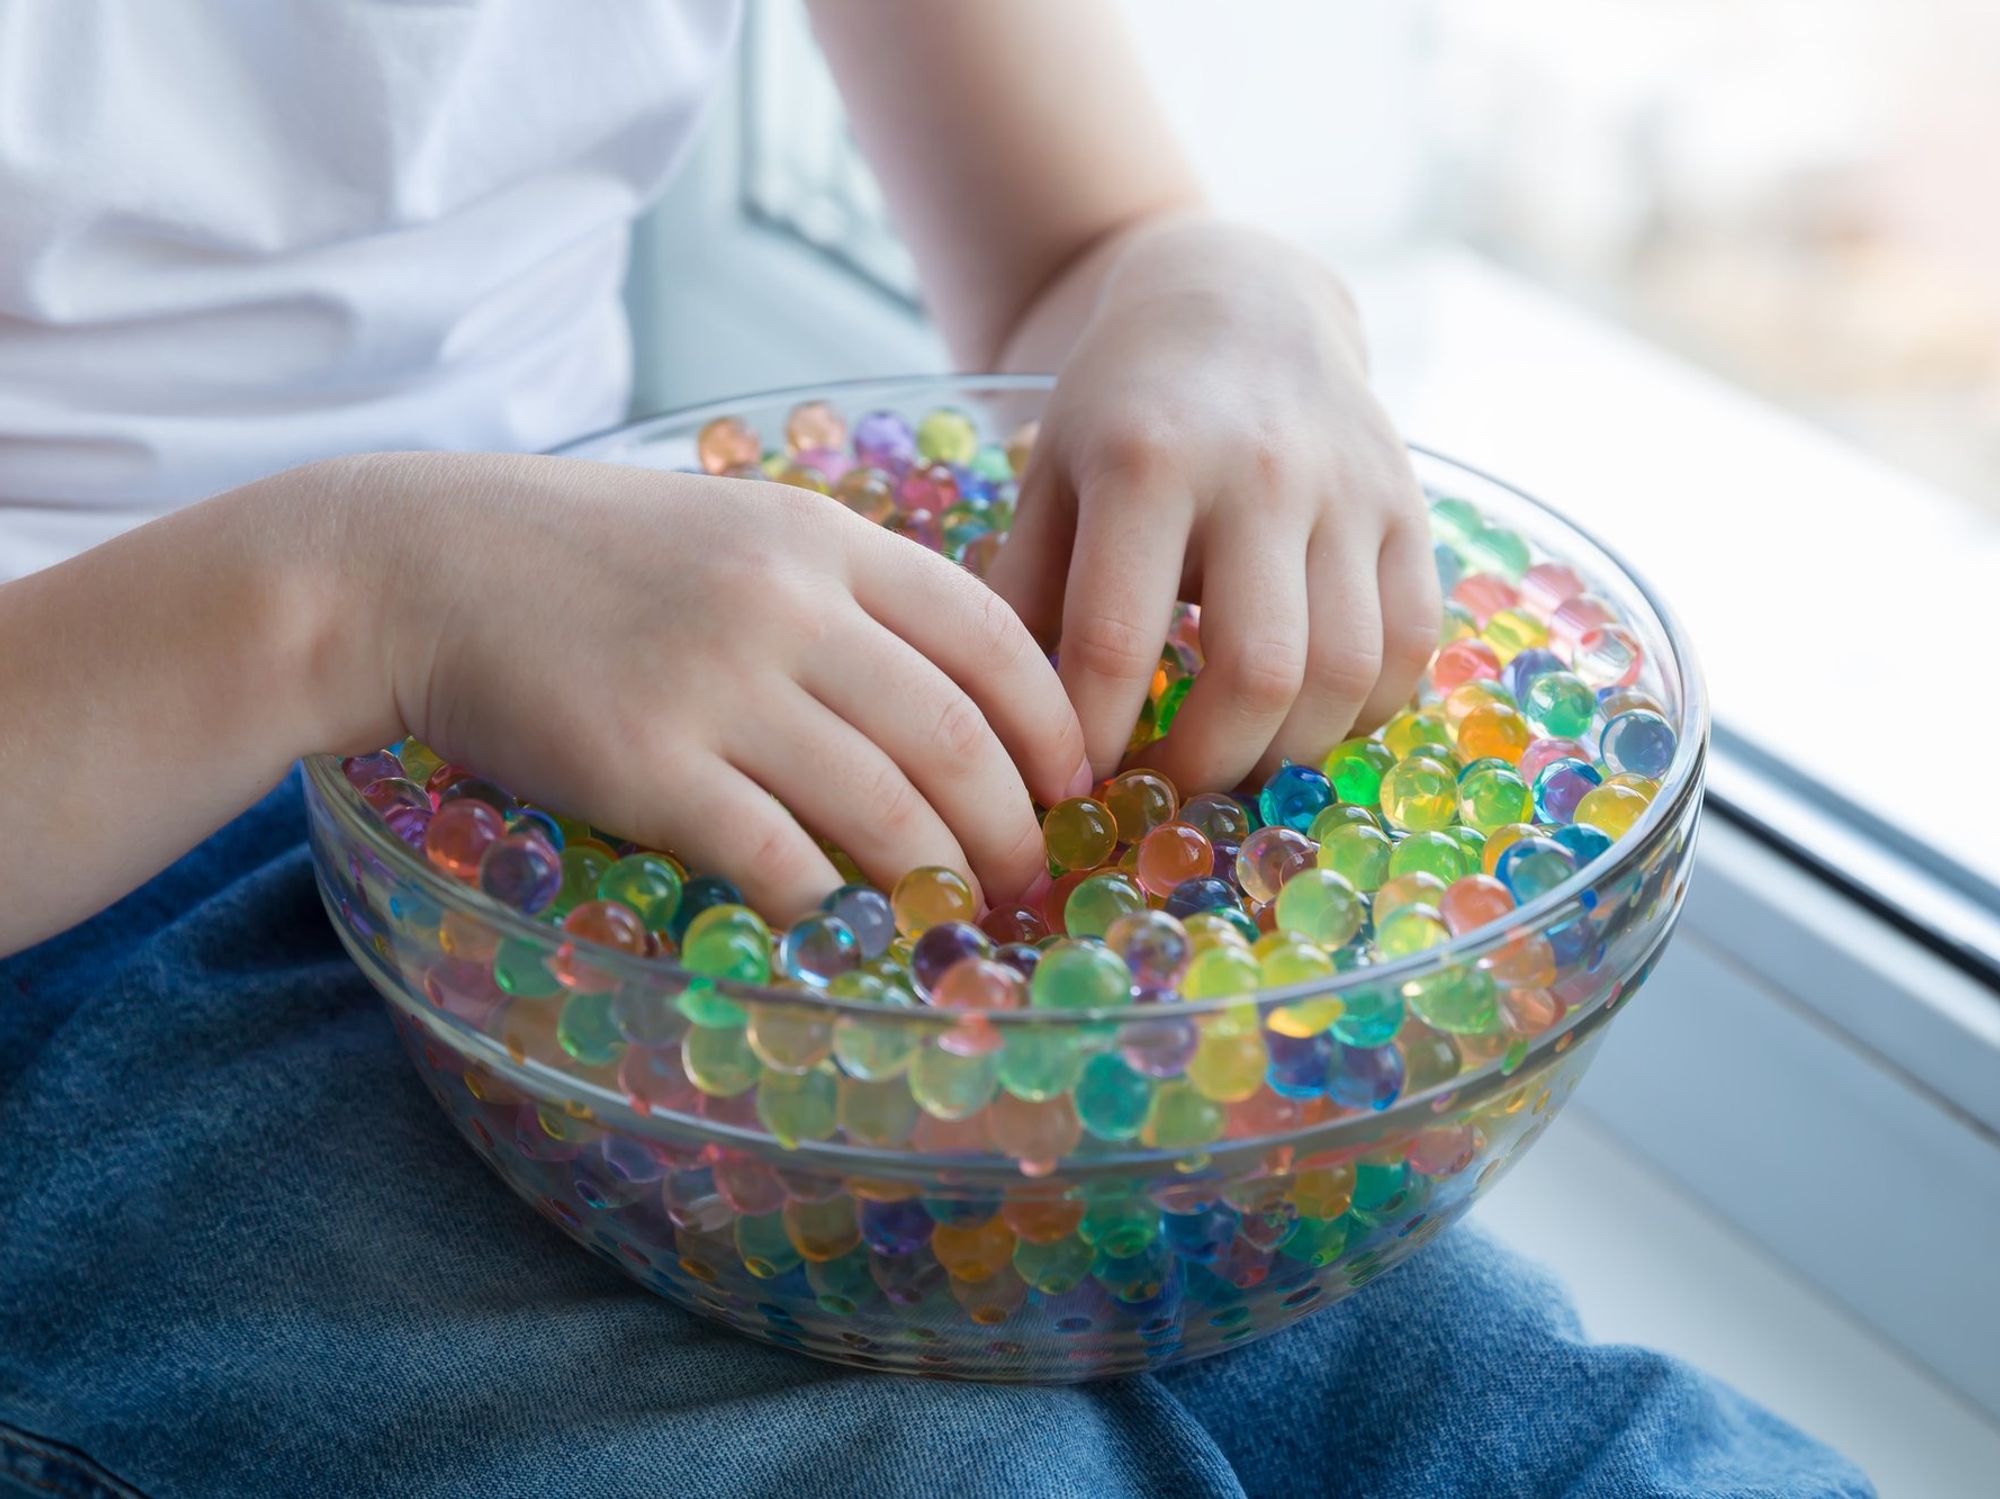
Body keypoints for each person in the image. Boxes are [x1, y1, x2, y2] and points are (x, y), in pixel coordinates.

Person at [0, 3, 1869, 1494]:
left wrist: (1209, 290)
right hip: (67, 913)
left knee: (1510, 1418)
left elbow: (1076, 232)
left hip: (602, 730)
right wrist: (353, 597)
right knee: (962, 1456)